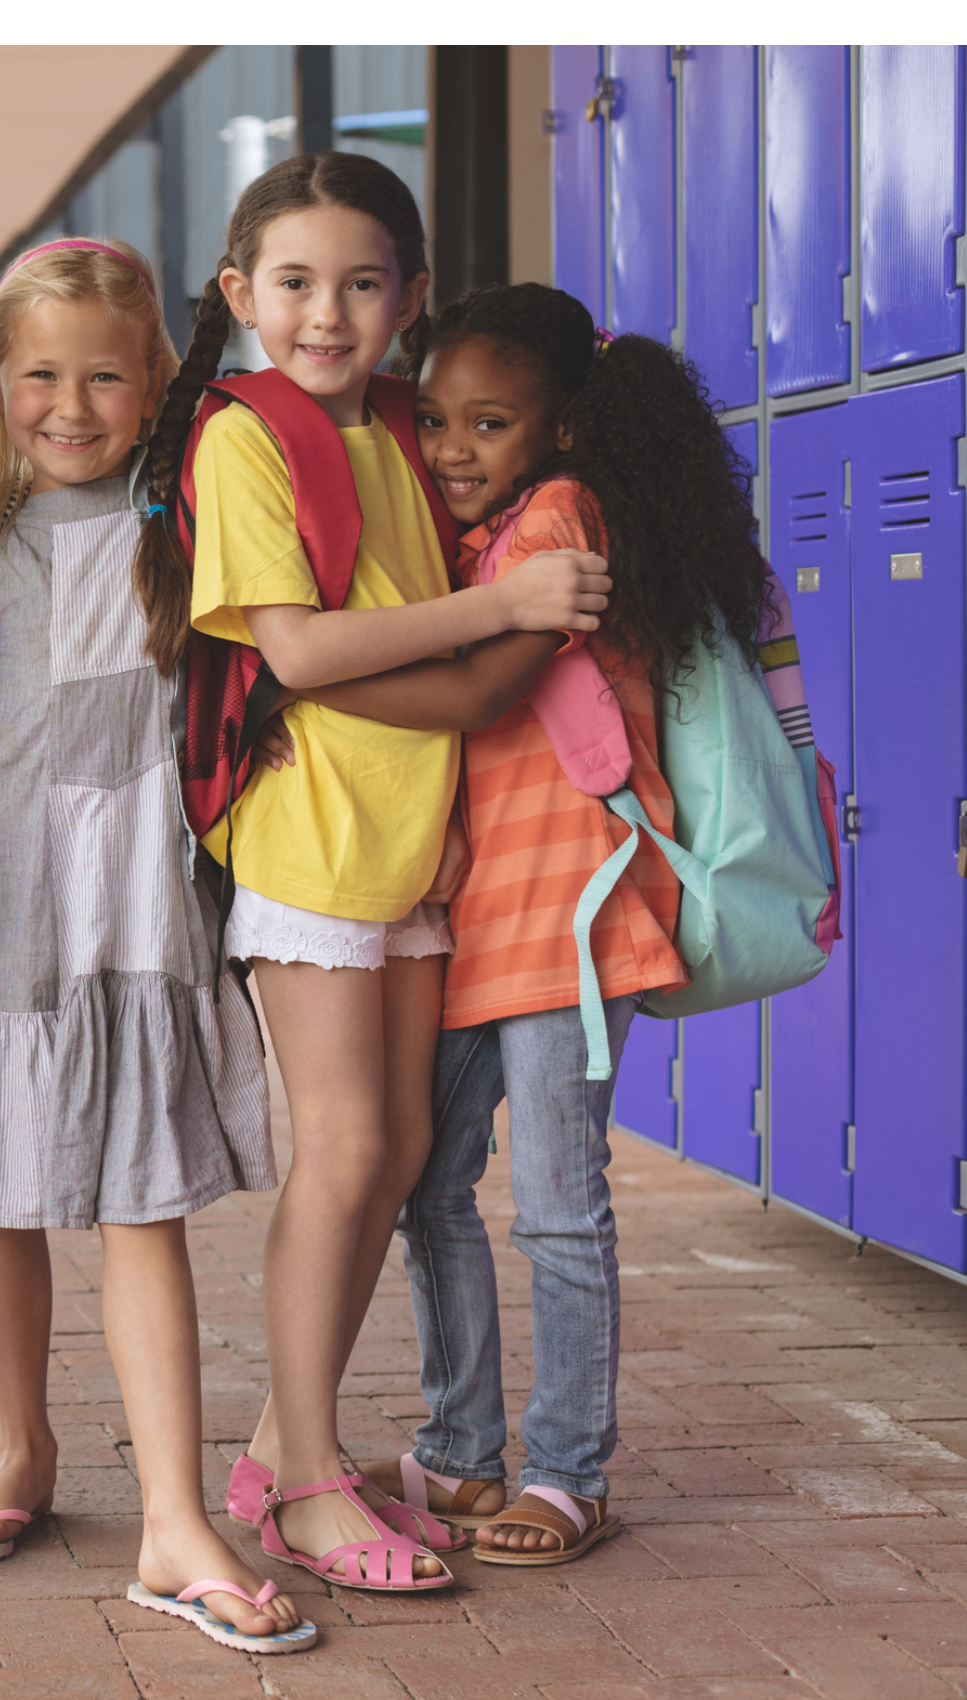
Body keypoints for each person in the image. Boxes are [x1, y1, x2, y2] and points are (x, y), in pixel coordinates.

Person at [138, 153, 608, 1592]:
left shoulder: (408, 430)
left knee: (397, 1155)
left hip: (412, 843)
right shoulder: (245, 437)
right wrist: (507, 606)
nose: (324, 312)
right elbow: (295, 652)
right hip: (313, 839)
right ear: (238, 296)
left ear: (406, 300)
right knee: (341, 1153)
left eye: (358, 283)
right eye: (292, 283)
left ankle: (285, 1445)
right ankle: (308, 1481)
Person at [0, 238, 312, 1652]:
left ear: (158, 381)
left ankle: (173, 1518)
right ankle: (24, 1449)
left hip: (131, 893)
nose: (70, 404)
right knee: (2, 1186)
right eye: (39, 375)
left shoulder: (191, 514)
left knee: (138, 1196)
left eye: (104, 376)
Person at [287, 283, 776, 1566]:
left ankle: (567, 1470)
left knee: (557, 1205)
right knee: (429, 1181)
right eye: (436, 417)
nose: (451, 446)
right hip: (475, 919)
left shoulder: (557, 524)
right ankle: (458, 1450)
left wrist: (300, 670)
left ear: (560, 429)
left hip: (571, 915)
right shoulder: (484, 534)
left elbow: (471, 692)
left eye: (488, 422)